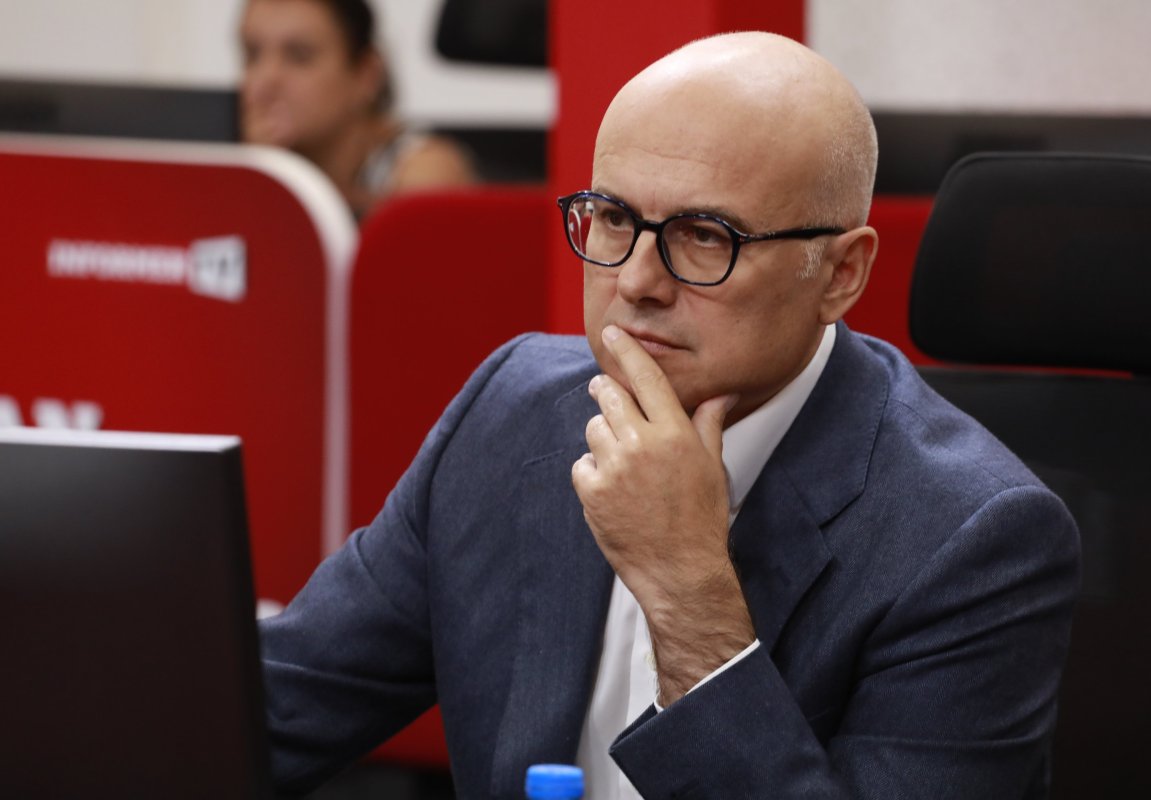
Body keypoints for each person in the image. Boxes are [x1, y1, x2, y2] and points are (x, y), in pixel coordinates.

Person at [260, 32, 1081, 799]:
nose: (637, 282)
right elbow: (272, 713)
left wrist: (689, 594)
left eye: (704, 236)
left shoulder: (973, 539)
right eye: (615, 218)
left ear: (840, 274)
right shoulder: (512, 411)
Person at [238, 0, 476, 218]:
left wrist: (271, 183)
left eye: (300, 56)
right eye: (252, 55)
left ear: (367, 73)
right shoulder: (240, 163)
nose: (265, 79)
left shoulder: (422, 168)